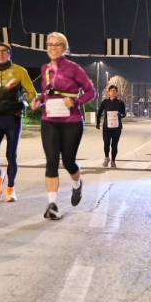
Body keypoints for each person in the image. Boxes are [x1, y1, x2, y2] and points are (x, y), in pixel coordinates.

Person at [30, 32, 96, 220]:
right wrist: (38, 100)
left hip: (71, 122)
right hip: (49, 121)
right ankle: (52, 205)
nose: (52, 47)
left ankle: (77, 185)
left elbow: (92, 92)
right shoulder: (45, 68)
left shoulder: (74, 68)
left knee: (68, 162)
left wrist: (76, 102)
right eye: (49, 44)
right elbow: (46, 93)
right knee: (51, 161)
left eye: (57, 44)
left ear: (65, 48)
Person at [0, 43, 36, 202]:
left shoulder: (20, 71)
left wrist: (33, 103)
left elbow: (31, 91)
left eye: (5, 51)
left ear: (10, 54)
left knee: (11, 155)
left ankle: (11, 188)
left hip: (13, 118)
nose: (1, 53)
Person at [96, 84, 126, 168]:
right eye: (111, 91)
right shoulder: (105, 102)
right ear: (108, 92)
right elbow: (99, 113)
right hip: (107, 127)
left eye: (115, 91)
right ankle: (106, 158)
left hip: (117, 128)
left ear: (117, 93)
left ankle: (113, 160)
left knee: (114, 145)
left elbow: (124, 114)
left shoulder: (120, 103)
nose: (113, 92)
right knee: (106, 143)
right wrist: (98, 123)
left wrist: (120, 114)